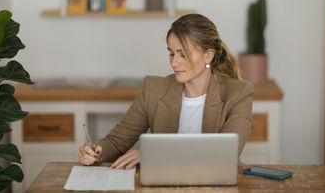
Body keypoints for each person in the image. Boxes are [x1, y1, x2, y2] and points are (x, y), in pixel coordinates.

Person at [78, 14, 254, 170]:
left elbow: (225, 154)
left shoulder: (238, 93)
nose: (174, 62)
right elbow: (116, 142)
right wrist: (97, 152)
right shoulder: (154, 89)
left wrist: (154, 157)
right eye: (171, 53)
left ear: (208, 56)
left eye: (183, 54)